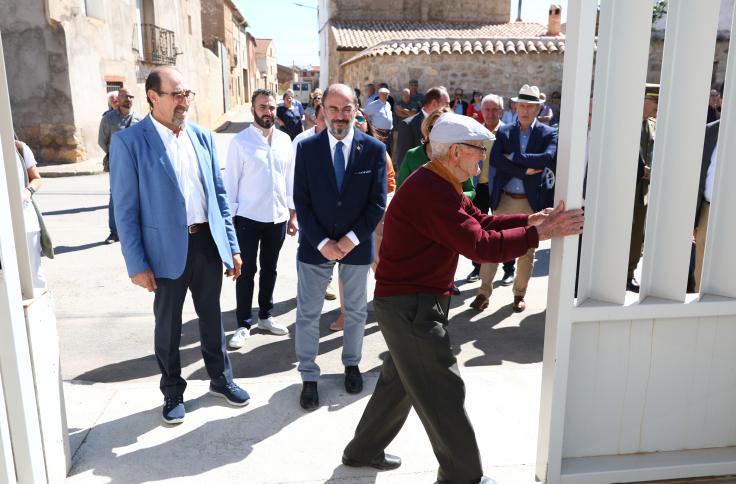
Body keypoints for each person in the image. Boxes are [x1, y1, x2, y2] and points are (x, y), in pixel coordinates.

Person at [341, 113, 584, 480]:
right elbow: (480, 245)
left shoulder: (440, 181)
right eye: (478, 151)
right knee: (443, 388)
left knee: (402, 380)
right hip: (411, 308)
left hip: (410, 304)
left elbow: (481, 222)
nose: (481, 160)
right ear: (455, 152)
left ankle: (362, 450)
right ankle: (463, 476)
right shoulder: (431, 189)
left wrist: (531, 220)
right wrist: (540, 234)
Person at [110, 67, 249, 425]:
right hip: (163, 251)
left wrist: (230, 245)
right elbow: (125, 209)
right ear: (153, 98)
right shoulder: (130, 142)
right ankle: (173, 390)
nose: (184, 101)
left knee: (212, 319)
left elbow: (219, 196)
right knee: (168, 326)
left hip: (205, 241)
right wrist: (136, 262)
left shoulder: (201, 137)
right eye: (176, 94)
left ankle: (221, 379)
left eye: (187, 94)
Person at [292, 83, 387, 410]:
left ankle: (351, 363)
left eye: (347, 109)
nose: (340, 116)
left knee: (357, 311)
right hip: (314, 246)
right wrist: (321, 241)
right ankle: (308, 375)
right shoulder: (306, 149)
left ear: (357, 110)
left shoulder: (374, 150)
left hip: (355, 247)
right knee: (308, 313)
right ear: (322, 112)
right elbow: (301, 202)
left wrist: (349, 240)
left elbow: (376, 203)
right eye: (333, 109)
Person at [472, 84, 558, 313]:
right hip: (505, 198)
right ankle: (483, 292)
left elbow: (545, 158)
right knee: (492, 245)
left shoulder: (548, 133)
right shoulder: (505, 132)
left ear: (538, 109)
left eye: (530, 106)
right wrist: (522, 169)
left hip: (530, 202)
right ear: (515, 107)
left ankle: (519, 294)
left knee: (527, 252)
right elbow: (498, 160)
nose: (525, 110)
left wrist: (515, 157)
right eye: (521, 105)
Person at [223, 89, 292, 350]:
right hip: (248, 219)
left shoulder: (286, 140)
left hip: (277, 218)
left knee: (270, 270)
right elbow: (230, 185)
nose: (268, 112)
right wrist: (230, 224)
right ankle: (243, 324)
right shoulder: (240, 142)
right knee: (246, 272)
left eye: (272, 107)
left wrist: (292, 212)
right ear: (253, 109)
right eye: (263, 107)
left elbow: (290, 179)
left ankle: (265, 316)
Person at [330, 109, 397, 333]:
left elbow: (389, 185)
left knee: (379, 264)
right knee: (346, 267)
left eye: (361, 118)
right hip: (346, 221)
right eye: (353, 117)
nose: (357, 121)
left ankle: (389, 306)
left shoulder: (379, 152)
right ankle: (344, 314)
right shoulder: (337, 150)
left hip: (374, 219)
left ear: (367, 123)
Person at [466, 94, 514, 285]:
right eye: (487, 109)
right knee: (476, 229)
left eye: (495, 109)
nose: (491, 113)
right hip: (479, 188)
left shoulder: (508, 132)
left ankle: (509, 269)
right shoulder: (475, 133)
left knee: (506, 229)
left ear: (501, 111)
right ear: (481, 111)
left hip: (501, 189)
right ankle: (477, 268)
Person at [396, 106, 475, 200]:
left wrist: (453, 197)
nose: (437, 133)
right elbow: (400, 190)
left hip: (451, 211)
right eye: (433, 128)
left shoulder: (461, 156)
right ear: (426, 129)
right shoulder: (412, 155)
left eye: (443, 129)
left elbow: (470, 191)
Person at [98, 87, 143, 244]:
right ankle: (114, 232)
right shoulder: (108, 119)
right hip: (116, 165)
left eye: (131, 97)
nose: (128, 99)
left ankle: (136, 229)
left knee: (139, 196)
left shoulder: (139, 118)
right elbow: (102, 141)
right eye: (125, 96)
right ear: (119, 98)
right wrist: (116, 155)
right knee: (116, 197)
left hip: (136, 164)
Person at [627, 83, 659, 293]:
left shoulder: (654, 125)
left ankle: (629, 274)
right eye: (655, 102)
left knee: (637, 235)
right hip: (624, 190)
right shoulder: (626, 123)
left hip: (643, 193)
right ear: (644, 100)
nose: (657, 107)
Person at [14, 137, 50, 293]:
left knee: (33, 276)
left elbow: (36, 178)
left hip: (25, 218)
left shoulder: (19, 148)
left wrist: (27, 192)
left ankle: (39, 314)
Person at [394, 86, 450, 171]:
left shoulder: (446, 125)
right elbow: (402, 163)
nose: (449, 107)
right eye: (446, 104)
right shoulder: (408, 125)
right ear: (434, 103)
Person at [693, 119, 719, 292]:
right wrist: (694, 221)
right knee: (702, 271)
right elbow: (699, 175)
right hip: (708, 210)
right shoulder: (710, 131)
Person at [363, 86, 393, 154]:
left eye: (387, 94)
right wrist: (369, 124)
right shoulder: (373, 105)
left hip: (389, 132)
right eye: (383, 94)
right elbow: (364, 113)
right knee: (379, 150)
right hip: (378, 132)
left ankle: (387, 164)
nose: (385, 95)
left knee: (388, 150)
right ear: (379, 94)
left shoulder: (388, 104)